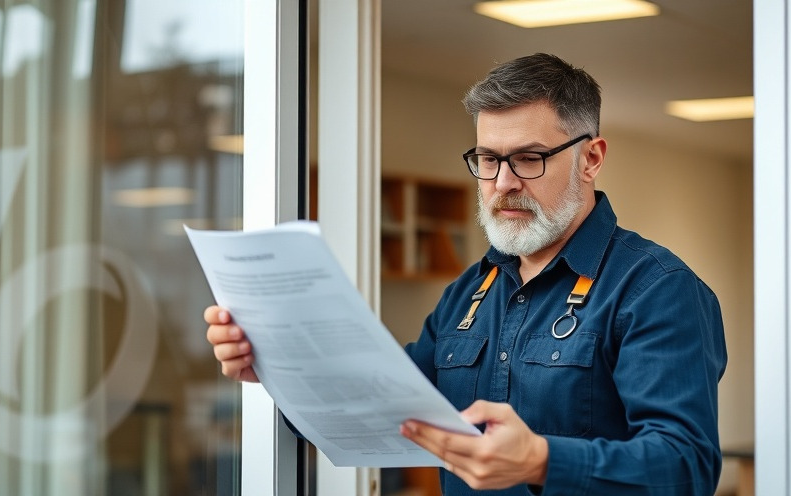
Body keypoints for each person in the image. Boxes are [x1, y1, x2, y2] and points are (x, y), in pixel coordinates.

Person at [205, 53, 727, 495]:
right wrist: (275, 365)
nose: (502, 184)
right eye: (486, 158)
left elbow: (686, 466)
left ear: (590, 158)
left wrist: (542, 460)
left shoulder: (656, 288)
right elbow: (376, 409)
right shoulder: (468, 294)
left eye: (528, 159)